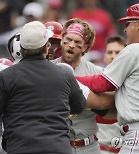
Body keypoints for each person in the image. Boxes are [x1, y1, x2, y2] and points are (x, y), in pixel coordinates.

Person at [76, 3, 139, 154]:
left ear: (138, 24)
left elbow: (102, 84)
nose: (125, 29)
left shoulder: (135, 49)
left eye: (128, 23)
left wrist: (69, 76)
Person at [0, 21, 86, 154]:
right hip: (58, 148)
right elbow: (79, 106)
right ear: (46, 48)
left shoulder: (6, 77)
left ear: (21, 48)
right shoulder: (64, 73)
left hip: (20, 148)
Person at [51, 18, 104, 154]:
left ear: (85, 47)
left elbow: (112, 106)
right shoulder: (48, 69)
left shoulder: (97, 73)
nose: (71, 45)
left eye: (77, 42)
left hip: (88, 146)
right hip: (58, 146)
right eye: (68, 39)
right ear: (62, 39)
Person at [96, 35, 126, 154]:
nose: (113, 56)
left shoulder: (134, 84)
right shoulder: (94, 81)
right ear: (104, 56)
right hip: (95, 148)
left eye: (118, 52)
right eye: (110, 52)